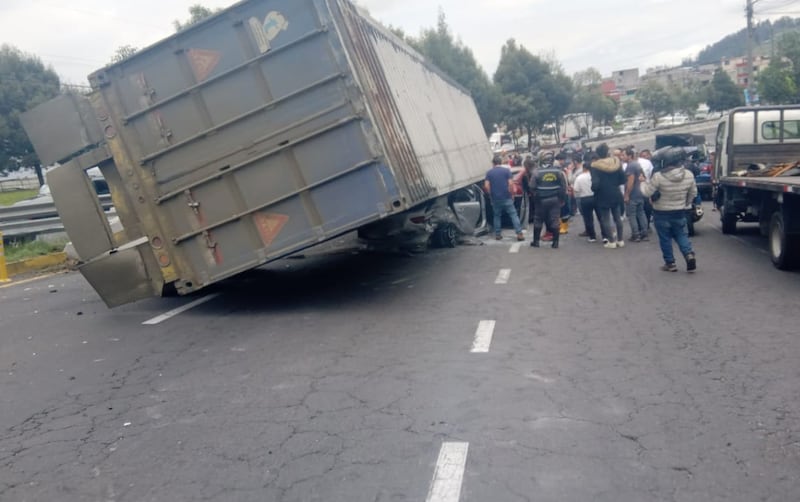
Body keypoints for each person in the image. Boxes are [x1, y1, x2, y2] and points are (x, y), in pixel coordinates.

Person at [641, 147, 698, 272]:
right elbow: (693, 193)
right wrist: (686, 203)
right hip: (680, 211)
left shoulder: (658, 176)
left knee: (665, 238)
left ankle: (670, 263)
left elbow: (647, 193)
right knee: (681, 234)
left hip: (661, 212)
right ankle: (688, 254)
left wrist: (643, 182)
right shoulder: (688, 175)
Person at [590, 143, 626, 249]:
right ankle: (620, 240)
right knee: (617, 217)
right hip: (616, 192)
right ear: (608, 152)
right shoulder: (616, 162)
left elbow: (595, 184)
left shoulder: (595, 166)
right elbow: (623, 179)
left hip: (602, 194)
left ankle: (611, 241)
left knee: (605, 219)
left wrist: (594, 189)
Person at [529, 153, 568, 248]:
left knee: (538, 219)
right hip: (555, 199)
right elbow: (563, 187)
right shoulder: (558, 171)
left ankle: (536, 242)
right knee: (554, 220)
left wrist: (536, 195)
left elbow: (532, 186)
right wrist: (562, 199)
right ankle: (555, 243)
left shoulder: (537, 172)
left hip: (541, 200)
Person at [485, 155, 525, 241]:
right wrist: (511, 194)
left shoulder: (489, 173)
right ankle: (519, 233)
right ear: (501, 163)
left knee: (497, 215)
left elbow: (486, 186)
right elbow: (511, 184)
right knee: (513, 215)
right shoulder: (506, 171)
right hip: (506, 197)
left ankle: (498, 234)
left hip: (495, 198)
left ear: (493, 163)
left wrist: (491, 194)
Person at [622, 146, 649, 242]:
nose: (622, 157)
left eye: (624, 155)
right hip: (640, 192)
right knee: (641, 213)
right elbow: (643, 177)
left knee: (632, 215)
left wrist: (626, 194)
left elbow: (630, 181)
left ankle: (636, 234)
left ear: (629, 156)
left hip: (633, 194)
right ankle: (644, 233)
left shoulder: (630, 166)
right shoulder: (637, 164)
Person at [573, 157, 597, 242]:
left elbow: (576, 189)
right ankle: (605, 235)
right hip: (595, 197)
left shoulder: (579, 177)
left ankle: (592, 236)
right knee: (600, 216)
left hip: (584, 198)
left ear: (584, 168)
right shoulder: (594, 176)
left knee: (588, 218)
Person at [639, 149, 655, 231]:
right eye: (642, 156)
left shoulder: (652, 163)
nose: (644, 158)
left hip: (649, 187)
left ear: (649, 155)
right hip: (641, 189)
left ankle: (647, 224)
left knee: (648, 208)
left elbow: (652, 176)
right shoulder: (642, 164)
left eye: (645, 156)